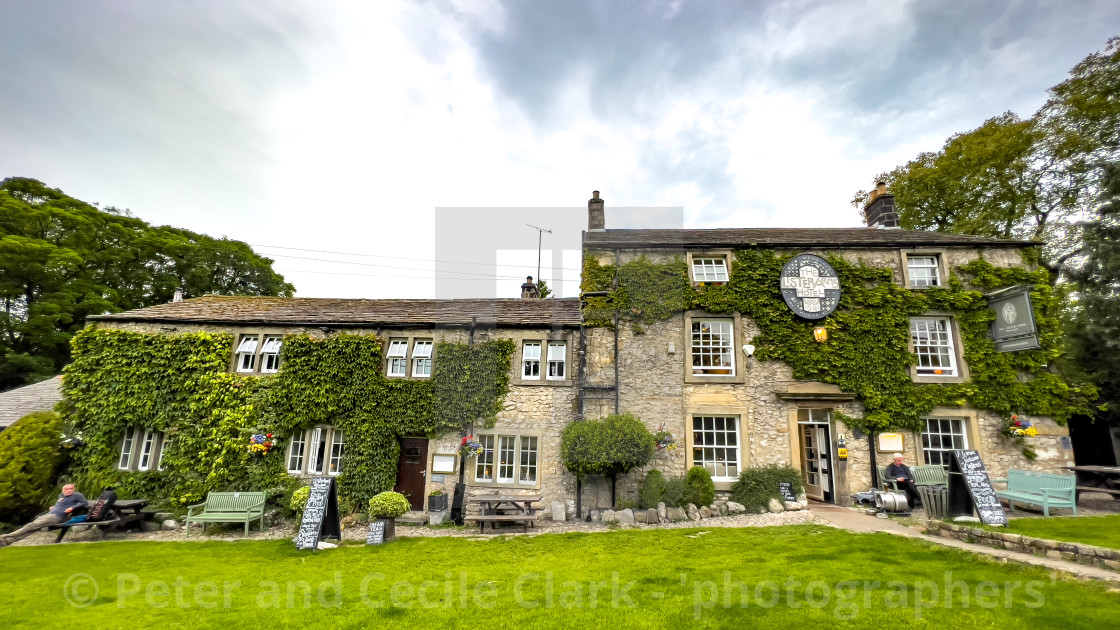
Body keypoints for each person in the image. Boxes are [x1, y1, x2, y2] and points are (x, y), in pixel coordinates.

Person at [0, 484, 87, 547]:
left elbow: (84, 502)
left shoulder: (76, 496)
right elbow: (60, 504)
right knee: (32, 528)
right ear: (63, 491)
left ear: (74, 489)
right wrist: (54, 506)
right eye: (67, 489)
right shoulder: (61, 496)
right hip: (49, 514)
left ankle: (4, 537)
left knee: (31, 526)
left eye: (71, 489)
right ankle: (7, 541)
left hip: (56, 517)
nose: (69, 490)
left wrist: (72, 508)